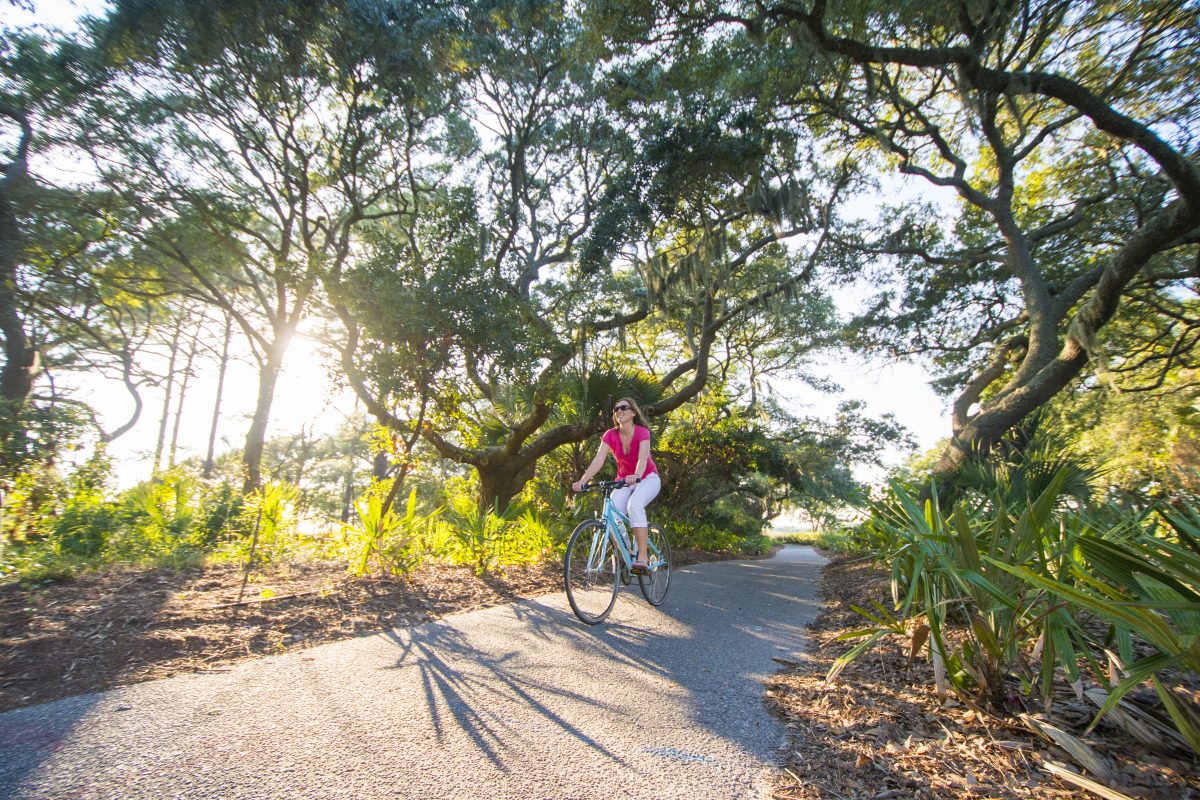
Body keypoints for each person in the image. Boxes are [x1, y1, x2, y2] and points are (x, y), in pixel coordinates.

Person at [571, 397, 661, 573]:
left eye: (624, 408)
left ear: (633, 412)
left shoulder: (642, 432)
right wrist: (583, 481)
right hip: (623, 482)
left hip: (648, 478)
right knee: (613, 517)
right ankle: (628, 552)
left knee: (634, 504)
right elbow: (598, 460)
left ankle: (642, 557)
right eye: (616, 409)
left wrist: (636, 475)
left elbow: (643, 458)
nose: (619, 411)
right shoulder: (610, 435)